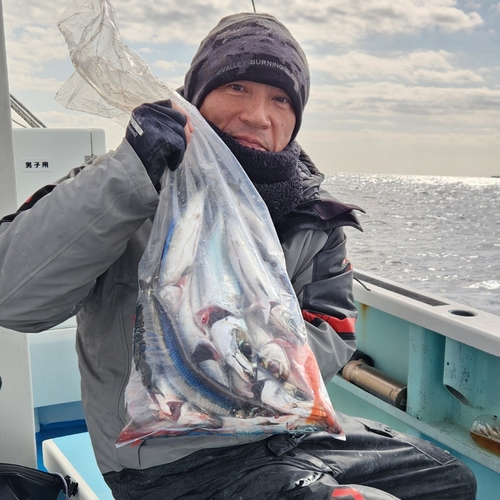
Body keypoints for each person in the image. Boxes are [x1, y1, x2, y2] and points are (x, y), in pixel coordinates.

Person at [0, 12, 476, 500]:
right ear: (195, 97)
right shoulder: (116, 185)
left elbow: (332, 329)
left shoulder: (313, 217)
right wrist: (130, 174)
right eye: (238, 88)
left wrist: (245, 358)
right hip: (173, 458)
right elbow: (14, 299)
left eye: (281, 99)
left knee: (448, 476)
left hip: (284, 431)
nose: (258, 115)